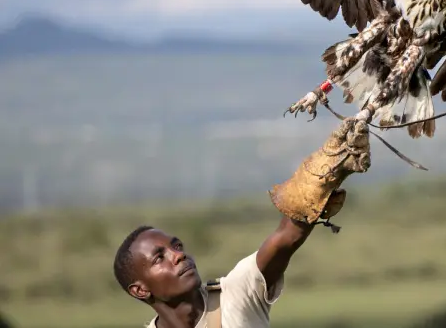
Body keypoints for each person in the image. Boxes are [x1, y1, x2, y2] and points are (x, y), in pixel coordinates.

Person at [112, 118, 372, 328]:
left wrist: (331, 168)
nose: (178, 256)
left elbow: (286, 237)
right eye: (160, 258)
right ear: (140, 290)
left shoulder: (236, 293)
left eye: (176, 246)